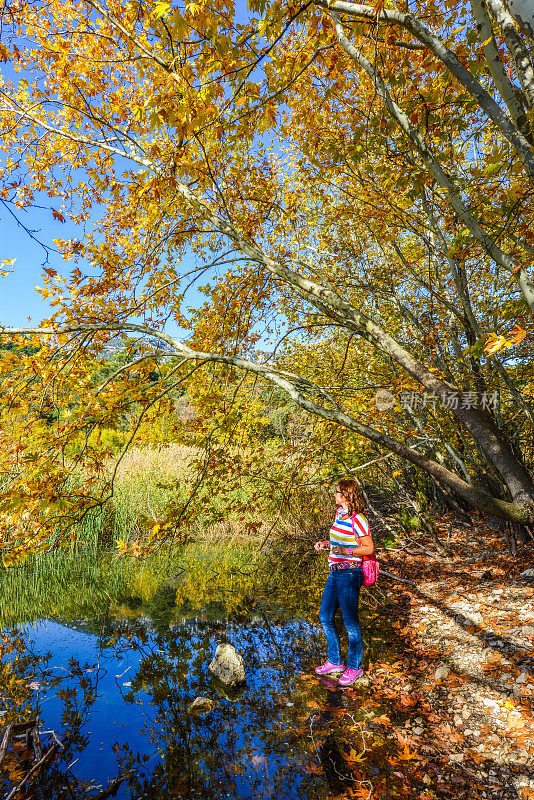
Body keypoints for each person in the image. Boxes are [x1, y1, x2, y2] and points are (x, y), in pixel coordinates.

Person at [313, 478, 374, 687]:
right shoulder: (340, 515)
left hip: (350, 573)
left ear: (346, 495)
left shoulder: (359, 519)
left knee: (350, 622)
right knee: (325, 615)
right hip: (335, 571)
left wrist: (347, 551)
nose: (334, 494)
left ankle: (355, 667)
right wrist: (326, 544)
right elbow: (340, 541)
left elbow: (368, 548)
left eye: (337, 491)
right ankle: (335, 661)